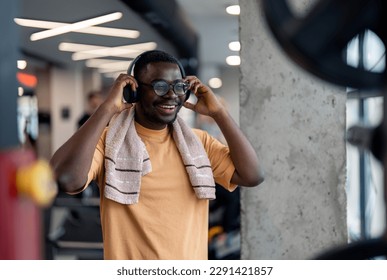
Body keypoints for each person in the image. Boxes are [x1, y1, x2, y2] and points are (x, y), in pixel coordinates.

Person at [50, 50, 263, 260]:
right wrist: (106, 109)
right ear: (133, 91)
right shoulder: (109, 143)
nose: (171, 95)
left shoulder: (199, 144)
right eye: (159, 86)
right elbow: (67, 179)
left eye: (179, 87)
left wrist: (219, 113)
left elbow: (251, 175)